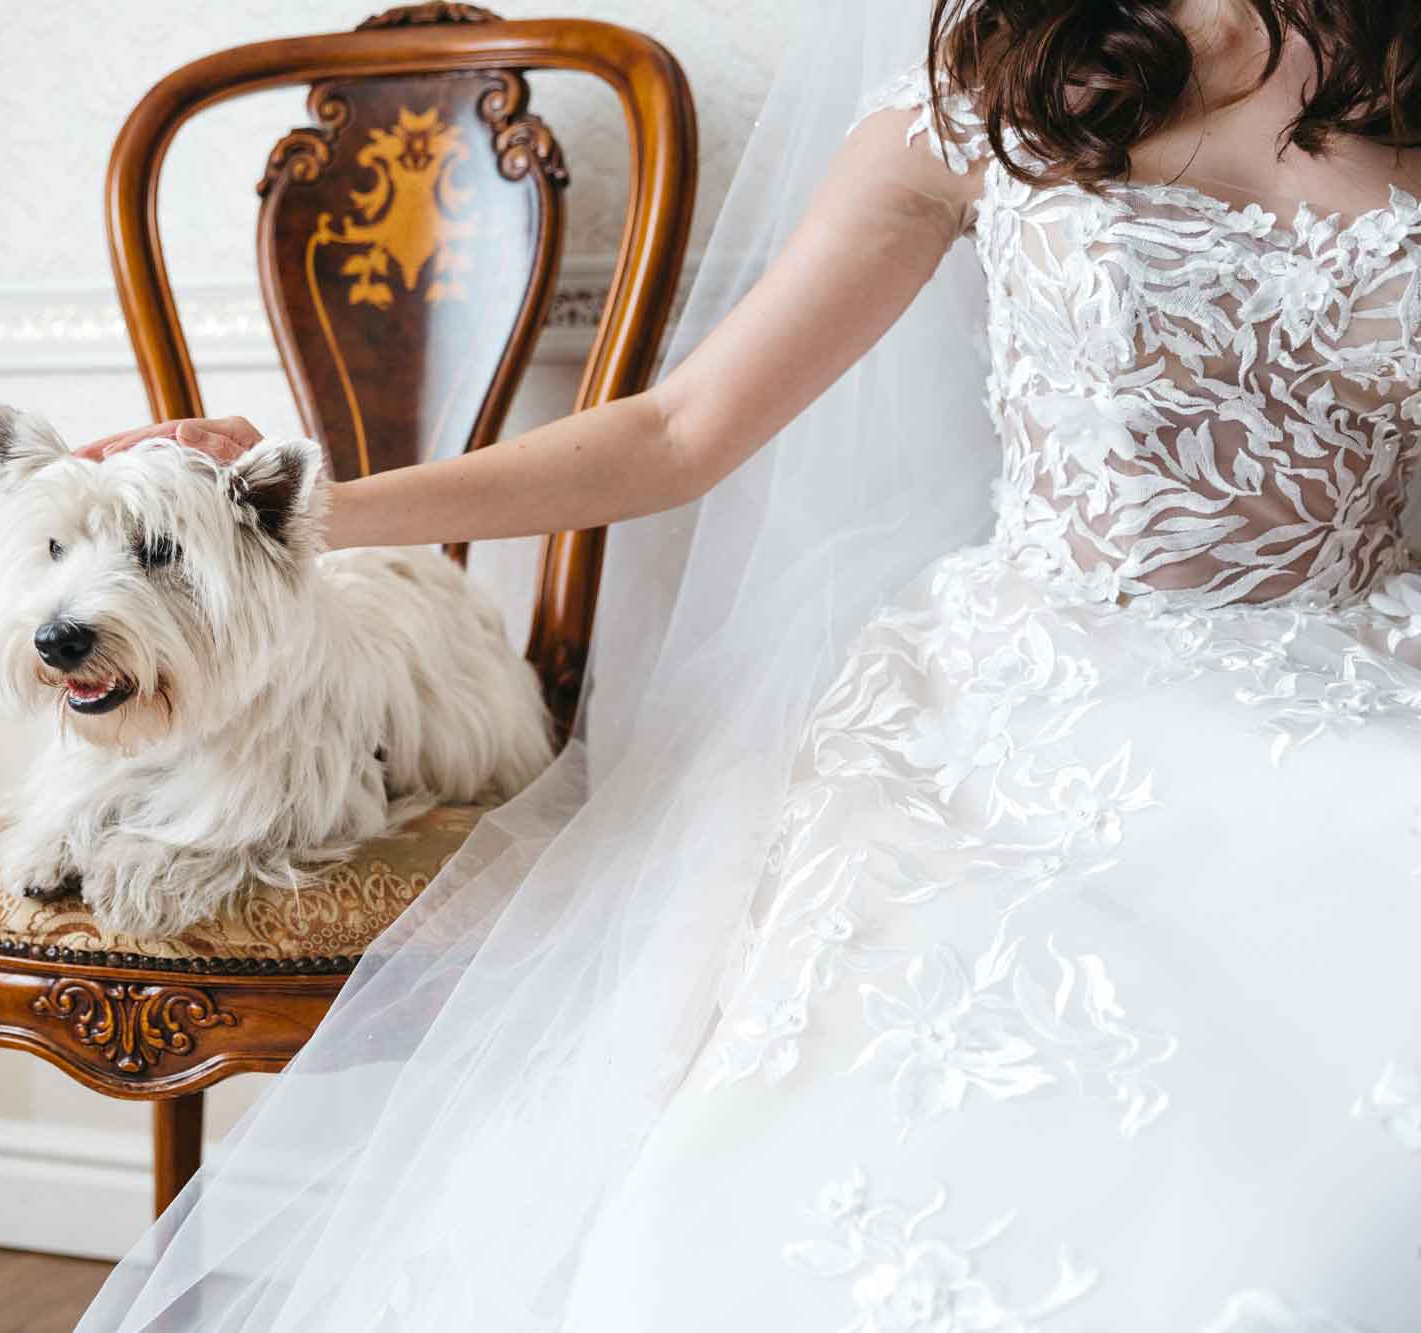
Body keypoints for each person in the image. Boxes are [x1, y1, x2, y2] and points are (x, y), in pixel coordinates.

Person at [77, 1, 1421, 1326]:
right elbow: (677, 431)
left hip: (1363, 688)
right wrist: (310, 510)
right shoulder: (998, 81)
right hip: (1040, 706)